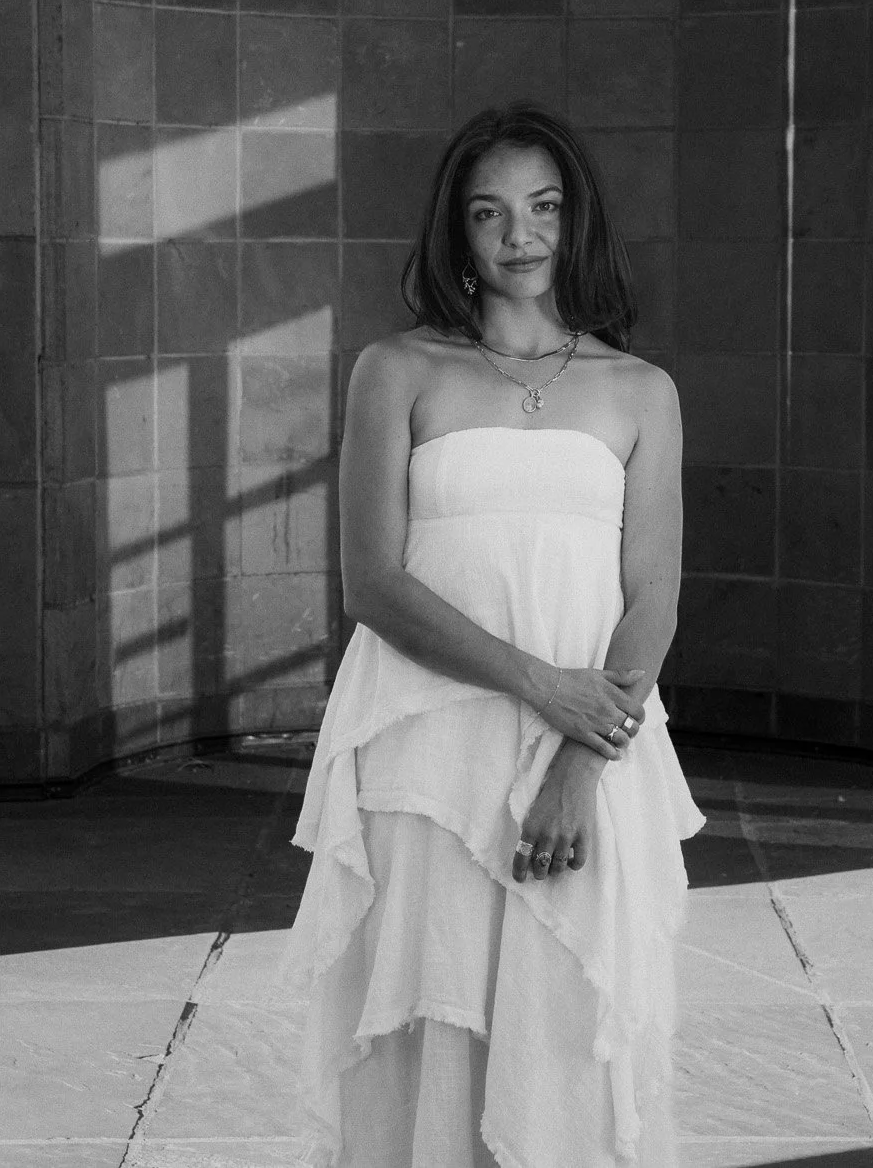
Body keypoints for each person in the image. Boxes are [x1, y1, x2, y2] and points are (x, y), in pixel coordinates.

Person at [280, 102, 705, 1166]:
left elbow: (650, 595)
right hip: (430, 740)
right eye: (489, 214)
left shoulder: (638, 391)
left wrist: (576, 749)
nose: (520, 236)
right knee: (433, 1013)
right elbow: (370, 582)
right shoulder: (397, 371)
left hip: (592, 752)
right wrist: (539, 686)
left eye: (542, 207)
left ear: (574, 222)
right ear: (455, 235)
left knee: (566, 1027)